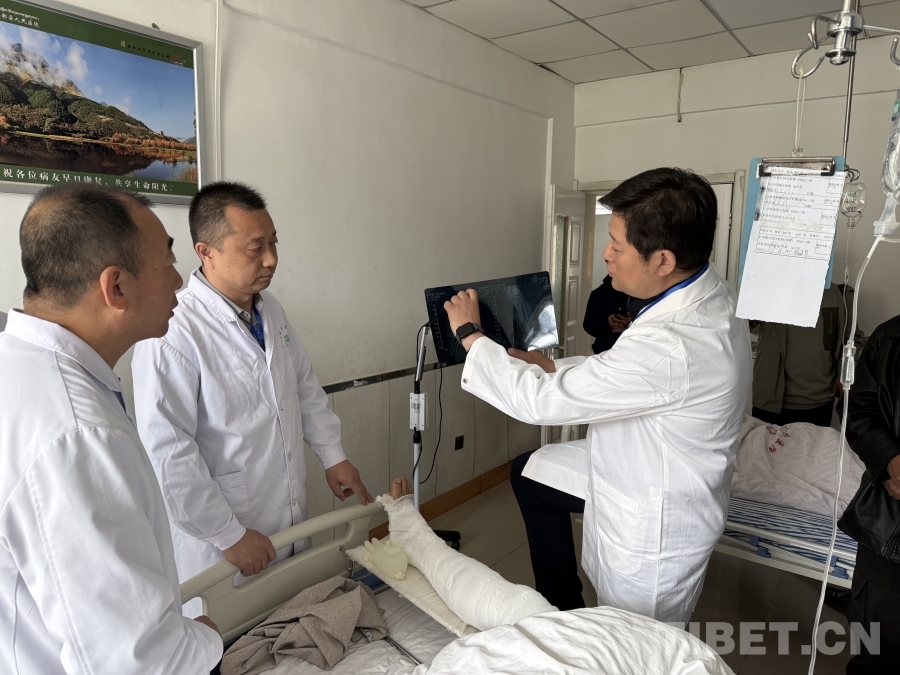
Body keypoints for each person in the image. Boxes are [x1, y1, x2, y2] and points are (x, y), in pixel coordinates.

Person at [443, 168, 750, 626]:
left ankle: (586, 636)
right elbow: (629, 373)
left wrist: (471, 335)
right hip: (640, 460)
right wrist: (550, 366)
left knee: (630, 644)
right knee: (530, 474)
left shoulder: (673, 343)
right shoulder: (713, 294)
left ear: (663, 260)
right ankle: (563, 611)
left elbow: (538, 402)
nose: (606, 255)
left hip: (654, 523)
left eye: (616, 246)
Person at [0, 185, 222, 674]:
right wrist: (204, 640)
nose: (179, 281)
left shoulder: (18, 367)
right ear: (116, 287)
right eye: (168, 262)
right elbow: (138, 661)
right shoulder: (76, 435)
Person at [132, 181, 372, 616]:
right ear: (206, 252)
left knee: (288, 625)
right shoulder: (173, 332)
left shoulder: (269, 310)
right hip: (222, 542)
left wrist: (332, 455)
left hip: (286, 521)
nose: (271, 259)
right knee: (233, 636)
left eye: (274, 243)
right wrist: (229, 536)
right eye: (255, 248)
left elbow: (303, 386)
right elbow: (168, 453)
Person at [835, 314, 900, 673]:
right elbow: (857, 410)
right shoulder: (889, 339)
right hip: (888, 529)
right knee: (876, 645)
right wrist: (889, 459)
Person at [751, 284, 850, 428]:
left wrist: (844, 373)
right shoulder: (769, 286)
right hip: (769, 402)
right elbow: (741, 323)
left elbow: (851, 340)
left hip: (818, 402)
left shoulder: (837, 294)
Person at [582, 274, 631, 354]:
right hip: (605, 350)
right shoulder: (599, 293)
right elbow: (588, 325)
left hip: (632, 349)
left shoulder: (640, 293)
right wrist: (607, 322)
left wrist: (631, 322)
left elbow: (651, 322)